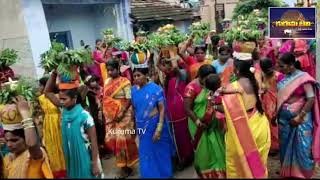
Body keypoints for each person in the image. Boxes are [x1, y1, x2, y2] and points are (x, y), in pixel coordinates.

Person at [220, 53, 271, 178]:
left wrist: (214, 105)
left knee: (239, 161)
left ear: (236, 69)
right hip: (259, 124)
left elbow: (227, 109)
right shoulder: (257, 81)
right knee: (258, 161)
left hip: (243, 127)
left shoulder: (233, 87)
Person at [277, 53, 320, 178]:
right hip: (284, 120)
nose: (280, 69)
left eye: (282, 66)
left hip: (301, 120)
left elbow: (311, 98)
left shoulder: (304, 78)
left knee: (302, 147)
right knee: (284, 146)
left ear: (291, 66)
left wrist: (300, 116)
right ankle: (287, 172)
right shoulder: (284, 78)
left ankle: (300, 174)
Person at [131, 67, 174, 178]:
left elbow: (162, 109)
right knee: (145, 152)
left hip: (155, 124)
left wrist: (159, 129)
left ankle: (164, 174)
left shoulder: (156, 89)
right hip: (141, 126)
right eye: (134, 76)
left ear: (146, 75)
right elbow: (134, 109)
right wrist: (134, 127)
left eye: (139, 75)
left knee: (159, 151)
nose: (136, 78)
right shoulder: (133, 90)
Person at [184, 65, 226, 178]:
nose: (208, 81)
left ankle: (219, 173)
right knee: (203, 152)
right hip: (197, 124)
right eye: (205, 79)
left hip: (213, 124)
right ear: (200, 77)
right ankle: (205, 173)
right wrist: (198, 122)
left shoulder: (215, 85)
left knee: (217, 148)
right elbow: (187, 109)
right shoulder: (191, 87)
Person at [1, 96, 53, 178]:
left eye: (14, 140)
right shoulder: (8, 158)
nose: (9, 144)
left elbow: (32, 144)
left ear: (26, 138)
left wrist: (25, 113)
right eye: (7, 140)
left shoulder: (35, 155)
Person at [157, 55, 194, 170]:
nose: (167, 68)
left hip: (180, 112)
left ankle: (187, 158)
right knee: (175, 137)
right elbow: (158, 65)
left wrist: (173, 59)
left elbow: (177, 69)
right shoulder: (168, 77)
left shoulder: (181, 75)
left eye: (169, 66)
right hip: (171, 112)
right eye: (165, 66)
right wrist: (159, 55)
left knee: (183, 137)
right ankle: (181, 157)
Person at [103, 60, 138, 178]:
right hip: (111, 116)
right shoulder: (107, 81)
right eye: (108, 70)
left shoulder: (125, 81)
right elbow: (105, 98)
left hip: (124, 116)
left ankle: (128, 166)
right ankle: (122, 165)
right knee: (114, 140)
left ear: (118, 69)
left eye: (112, 69)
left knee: (123, 141)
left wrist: (121, 113)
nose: (109, 72)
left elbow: (128, 99)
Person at [38, 74, 66, 178]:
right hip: (49, 125)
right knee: (52, 147)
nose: (39, 88)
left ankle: (67, 168)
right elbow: (41, 114)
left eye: (41, 85)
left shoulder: (58, 96)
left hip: (59, 123)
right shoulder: (40, 98)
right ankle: (58, 171)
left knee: (62, 145)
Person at [259, 58, 284, 154]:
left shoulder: (278, 76)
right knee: (268, 122)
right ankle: (272, 145)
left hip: (276, 101)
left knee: (275, 123)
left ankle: (278, 145)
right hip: (266, 101)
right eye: (265, 69)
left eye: (269, 69)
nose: (267, 71)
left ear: (272, 66)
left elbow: (282, 91)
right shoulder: (262, 75)